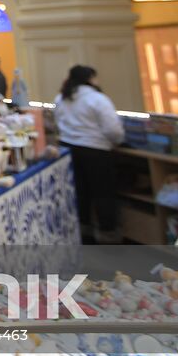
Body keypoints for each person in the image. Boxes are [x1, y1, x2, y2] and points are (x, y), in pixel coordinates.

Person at [54, 65, 124, 244]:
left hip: (68, 149)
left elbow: (58, 122)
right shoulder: (98, 99)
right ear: (90, 78)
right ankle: (108, 233)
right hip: (96, 150)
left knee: (79, 191)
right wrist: (117, 141)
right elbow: (113, 130)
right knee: (103, 193)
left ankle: (84, 229)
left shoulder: (62, 98)